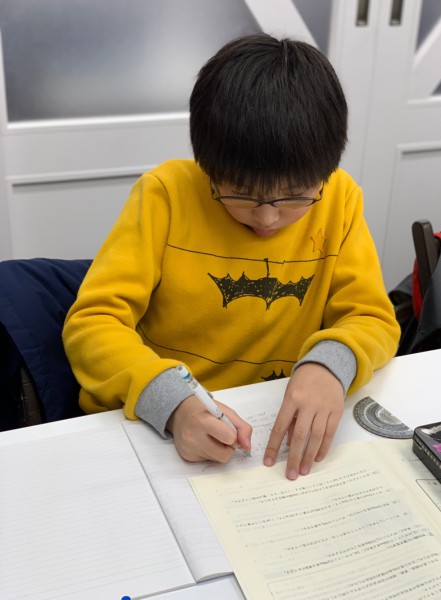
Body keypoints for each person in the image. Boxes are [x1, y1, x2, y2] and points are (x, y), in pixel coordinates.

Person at [63, 33, 400, 480]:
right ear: (207, 167)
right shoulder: (165, 196)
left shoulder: (340, 199)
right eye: (241, 194)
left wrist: (329, 365)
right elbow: (92, 324)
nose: (267, 218)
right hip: (160, 431)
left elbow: (372, 318)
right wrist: (172, 404)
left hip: (272, 432)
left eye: (295, 197)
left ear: (326, 171)